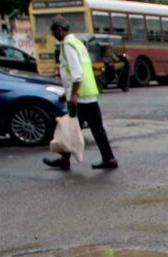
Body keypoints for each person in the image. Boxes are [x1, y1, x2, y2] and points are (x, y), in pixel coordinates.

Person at [43, 16, 118, 171]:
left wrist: (73, 95)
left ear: (59, 30)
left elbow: (76, 74)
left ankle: (65, 160)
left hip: (79, 98)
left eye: (53, 31)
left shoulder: (68, 45)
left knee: (70, 129)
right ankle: (108, 158)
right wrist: (67, 93)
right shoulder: (78, 43)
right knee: (95, 128)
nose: (53, 34)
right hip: (88, 94)